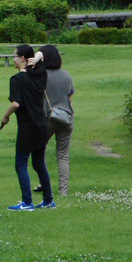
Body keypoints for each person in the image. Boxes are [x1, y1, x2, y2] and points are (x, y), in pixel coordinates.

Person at [1, 46, 54, 210]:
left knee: (21, 164)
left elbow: (16, 103)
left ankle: (27, 203)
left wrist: (5, 116)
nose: (12, 59)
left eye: (14, 56)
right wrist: (37, 59)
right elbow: (46, 50)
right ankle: (48, 201)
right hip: (43, 127)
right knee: (39, 164)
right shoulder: (40, 76)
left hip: (28, 128)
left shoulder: (16, 80)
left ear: (23, 58)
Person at [37, 44, 74, 196]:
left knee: (40, 151)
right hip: (66, 118)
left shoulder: (41, 76)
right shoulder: (66, 75)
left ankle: (44, 184)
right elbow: (70, 97)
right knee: (63, 155)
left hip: (47, 118)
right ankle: (63, 190)